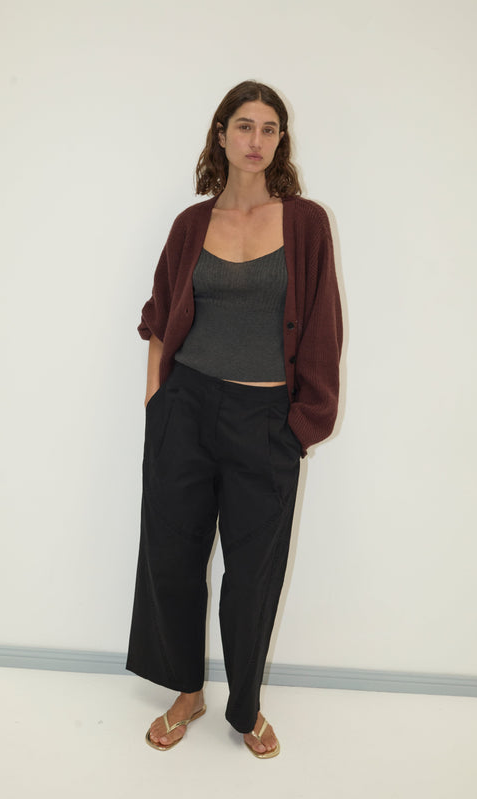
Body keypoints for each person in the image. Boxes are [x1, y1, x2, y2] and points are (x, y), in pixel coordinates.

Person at [126, 80, 343, 758]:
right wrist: (156, 399)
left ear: (281, 141)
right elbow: (160, 316)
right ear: (220, 133)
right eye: (243, 125)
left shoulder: (305, 222)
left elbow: (324, 326)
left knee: (253, 572)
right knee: (172, 554)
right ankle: (185, 689)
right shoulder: (192, 224)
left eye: (268, 128)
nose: (255, 140)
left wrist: (302, 421)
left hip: (265, 418)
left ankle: (244, 706)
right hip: (184, 407)